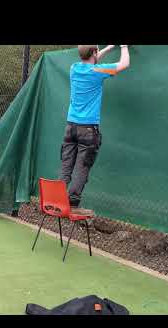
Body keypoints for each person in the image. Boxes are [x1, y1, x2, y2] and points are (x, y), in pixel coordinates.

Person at [60, 45, 130, 216]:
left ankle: (58, 200)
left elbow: (92, 57)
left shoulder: (74, 68)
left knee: (66, 165)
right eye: (97, 51)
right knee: (82, 167)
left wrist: (108, 48)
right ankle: (73, 205)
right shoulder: (97, 71)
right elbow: (124, 64)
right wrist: (123, 47)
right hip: (88, 130)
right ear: (93, 53)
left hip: (70, 127)